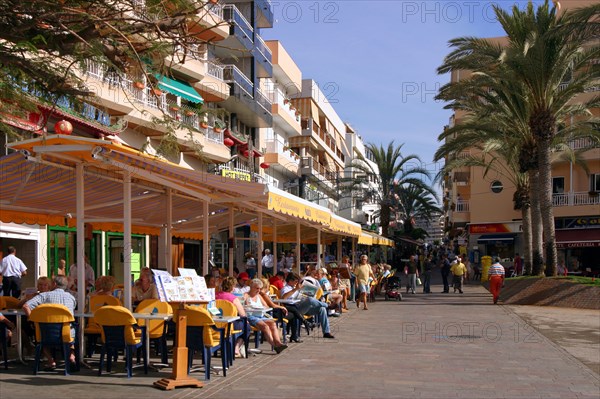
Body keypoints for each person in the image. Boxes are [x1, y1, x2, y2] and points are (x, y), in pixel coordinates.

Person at [22, 275, 77, 369]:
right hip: (66, 332)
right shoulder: (71, 298)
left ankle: (51, 361)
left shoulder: (44, 296)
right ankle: (71, 356)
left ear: (54, 284)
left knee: (41, 338)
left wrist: (33, 320)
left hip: (46, 332)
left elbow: (25, 306)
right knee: (73, 337)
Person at [280, 273, 335, 339]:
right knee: (310, 300)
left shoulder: (295, 288)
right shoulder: (285, 288)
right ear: (290, 281)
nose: (297, 283)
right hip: (295, 309)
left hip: (303, 306)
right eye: (296, 282)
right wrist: (295, 289)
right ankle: (327, 305)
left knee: (322, 309)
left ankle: (326, 332)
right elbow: (283, 298)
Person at [244, 279, 287, 354]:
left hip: (260, 315)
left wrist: (262, 308)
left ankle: (278, 343)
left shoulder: (259, 296)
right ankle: (274, 345)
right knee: (265, 327)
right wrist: (251, 307)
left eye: (260, 288)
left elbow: (266, 306)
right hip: (251, 316)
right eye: (257, 288)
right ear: (251, 287)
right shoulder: (246, 295)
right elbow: (244, 307)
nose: (259, 290)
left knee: (273, 323)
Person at [215, 276, 249, 357]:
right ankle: (236, 347)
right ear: (233, 287)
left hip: (215, 323)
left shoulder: (214, 295)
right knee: (247, 327)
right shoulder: (233, 298)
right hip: (230, 325)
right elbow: (242, 315)